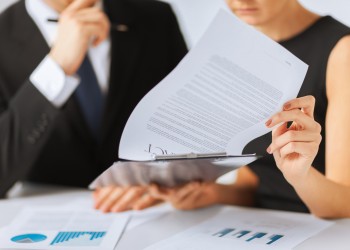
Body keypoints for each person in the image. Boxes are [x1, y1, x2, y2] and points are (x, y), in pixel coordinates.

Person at [94, 0, 350, 218]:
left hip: (320, 230)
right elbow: (257, 184)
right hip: (263, 225)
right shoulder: (249, 46)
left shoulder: (342, 52)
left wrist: (300, 177)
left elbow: (344, 204)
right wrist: (212, 193)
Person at [0, 0, 187, 198]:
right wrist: (57, 67)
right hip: (50, 216)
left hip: (152, 211)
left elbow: (189, 127)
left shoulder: (156, 17)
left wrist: (161, 183)